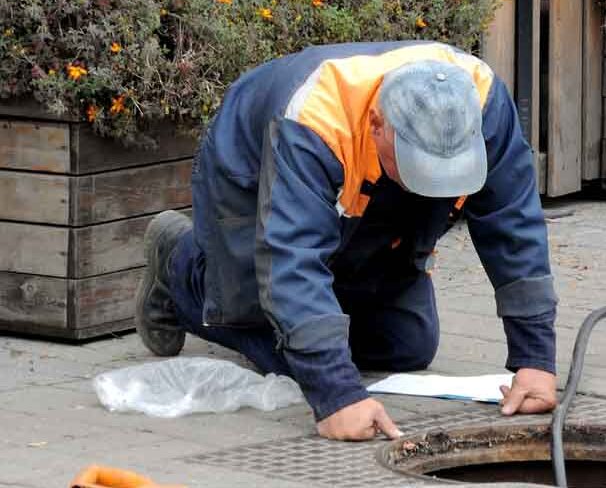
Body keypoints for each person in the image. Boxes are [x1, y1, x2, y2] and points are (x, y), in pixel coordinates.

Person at [133, 41, 558, 441]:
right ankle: (178, 266)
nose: (435, 183)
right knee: (291, 354)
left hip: (368, 182)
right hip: (251, 166)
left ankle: (322, 326)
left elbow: (513, 224)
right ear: (377, 124)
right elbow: (291, 259)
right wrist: (337, 395)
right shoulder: (313, 120)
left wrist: (535, 359)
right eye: (421, 168)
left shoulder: (482, 103)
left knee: (407, 345)